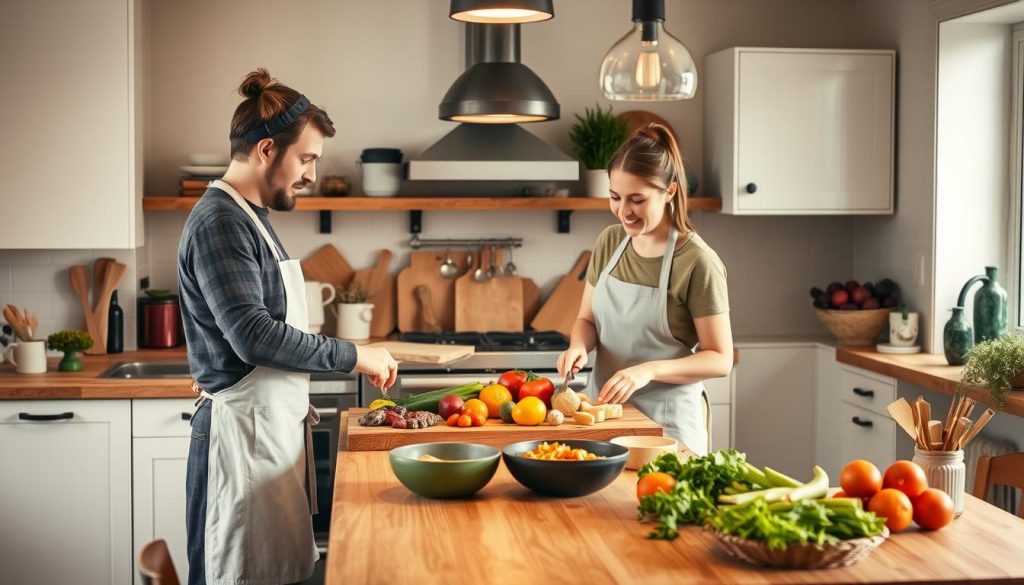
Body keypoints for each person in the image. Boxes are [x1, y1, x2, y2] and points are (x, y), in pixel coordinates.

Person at [178, 68, 398, 585]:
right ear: (266, 150)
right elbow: (252, 334)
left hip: (266, 438)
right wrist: (354, 354)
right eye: (306, 159)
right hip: (240, 445)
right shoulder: (221, 222)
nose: (312, 176)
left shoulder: (251, 219)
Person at [556, 124, 733, 455]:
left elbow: (720, 359)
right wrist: (578, 346)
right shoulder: (610, 241)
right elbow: (587, 320)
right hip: (604, 418)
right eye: (615, 197)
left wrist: (648, 371)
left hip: (667, 426)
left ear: (670, 191)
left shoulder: (697, 261)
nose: (624, 212)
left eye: (637, 200)